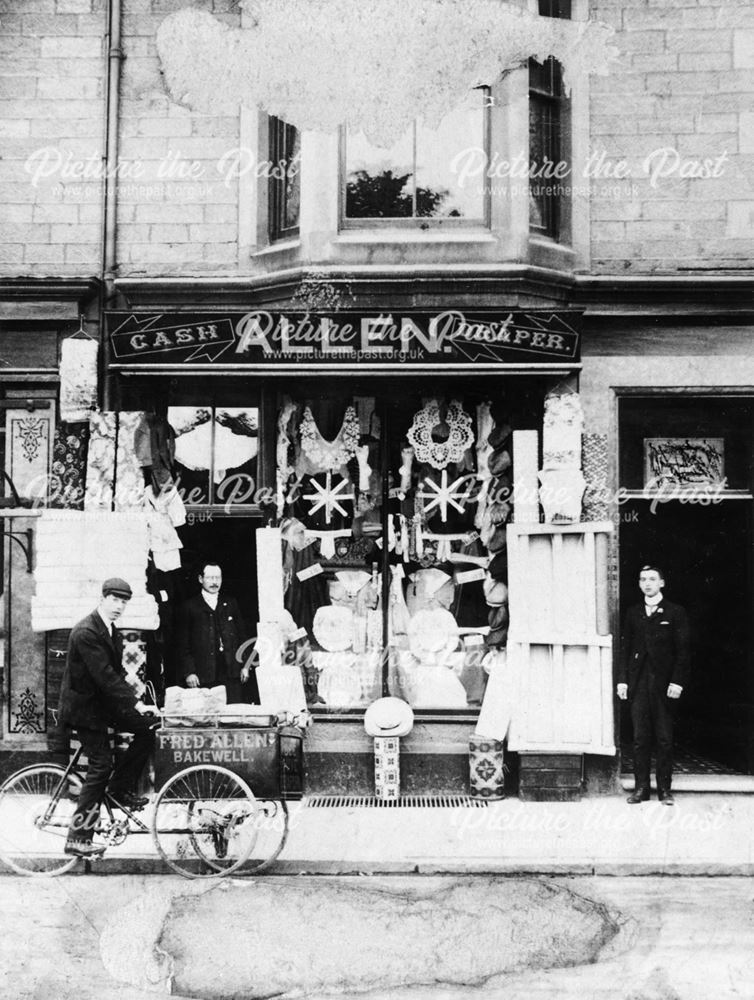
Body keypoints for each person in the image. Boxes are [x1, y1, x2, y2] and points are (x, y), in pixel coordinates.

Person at [58, 578, 159, 858]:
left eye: (124, 602)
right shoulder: (87, 632)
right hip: (85, 710)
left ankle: (120, 789)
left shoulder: (108, 629)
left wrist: (141, 706)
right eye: (115, 600)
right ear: (103, 598)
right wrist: (135, 703)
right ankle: (78, 838)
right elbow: (105, 677)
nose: (119, 607)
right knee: (100, 767)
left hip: (101, 706)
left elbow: (116, 675)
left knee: (149, 728)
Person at [617, 564, 690, 806]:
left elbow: (683, 652)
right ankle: (641, 789)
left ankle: (665, 790)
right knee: (640, 738)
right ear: (639, 584)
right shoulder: (633, 612)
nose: (647, 583)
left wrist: (677, 682)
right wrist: (623, 681)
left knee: (664, 739)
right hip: (639, 685)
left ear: (662, 583)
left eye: (652, 579)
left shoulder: (674, 612)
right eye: (642, 580)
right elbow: (625, 649)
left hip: (664, 685)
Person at [176, 561, 259, 703]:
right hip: (203, 675)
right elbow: (182, 644)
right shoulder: (190, 607)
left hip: (231, 673)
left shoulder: (230, 603)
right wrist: (189, 672)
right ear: (201, 579)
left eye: (218, 578)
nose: (214, 582)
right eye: (210, 578)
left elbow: (242, 637)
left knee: (233, 714)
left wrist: (245, 666)